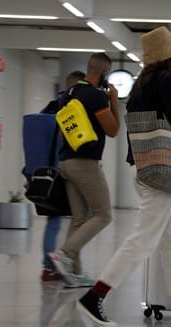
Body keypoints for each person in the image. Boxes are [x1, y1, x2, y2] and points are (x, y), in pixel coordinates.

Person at [76, 26, 171, 327]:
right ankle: (94, 296)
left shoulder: (145, 83)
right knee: (142, 240)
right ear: (169, 56)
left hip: (144, 168)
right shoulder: (166, 80)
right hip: (158, 173)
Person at [50, 53, 120, 287]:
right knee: (103, 214)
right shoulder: (95, 96)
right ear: (104, 73)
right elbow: (112, 130)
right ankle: (65, 253)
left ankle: (73, 273)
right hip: (85, 163)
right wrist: (114, 102)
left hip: (66, 162)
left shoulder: (68, 94)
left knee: (79, 218)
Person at [22, 70, 85, 281]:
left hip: (42, 175)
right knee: (78, 219)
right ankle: (65, 264)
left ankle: (49, 266)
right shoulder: (71, 110)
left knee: (54, 221)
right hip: (63, 172)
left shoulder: (48, 108)